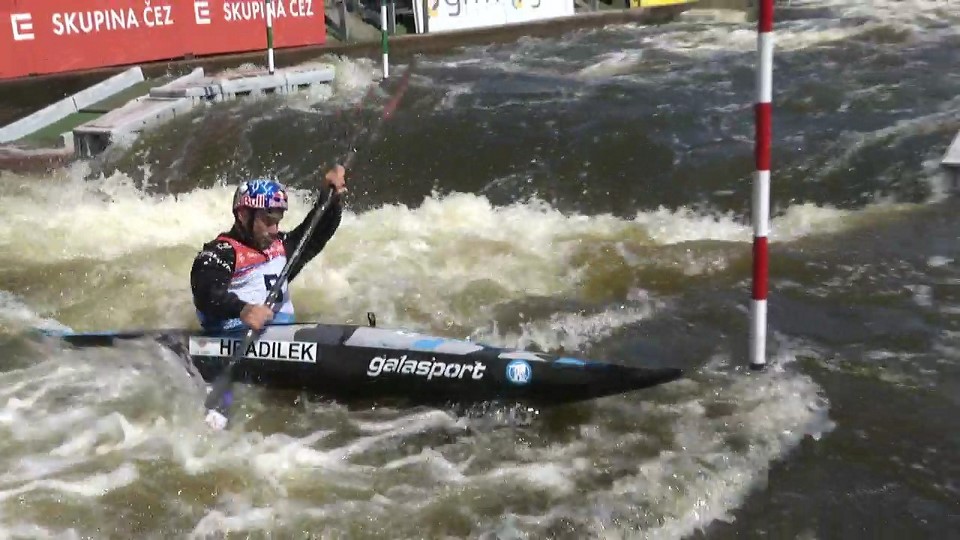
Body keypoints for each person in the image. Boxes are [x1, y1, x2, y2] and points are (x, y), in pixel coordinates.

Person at [190, 165, 347, 332]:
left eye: (277, 221)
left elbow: (316, 233)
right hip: (233, 338)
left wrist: (331, 197)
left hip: (283, 339)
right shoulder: (220, 253)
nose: (274, 230)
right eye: (268, 221)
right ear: (243, 215)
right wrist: (243, 309)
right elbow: (206, 294)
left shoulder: (281, 247)